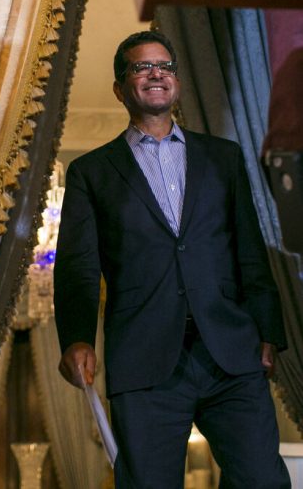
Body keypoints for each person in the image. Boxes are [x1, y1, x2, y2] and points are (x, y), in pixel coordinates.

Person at [54, 30, 290, 488]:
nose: (156, 74)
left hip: (231, 354)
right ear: (121, 89)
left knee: (264, 481)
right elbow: (78, 267)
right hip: (143, 359)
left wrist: (269, 330)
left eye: (165, 66)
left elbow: (249, 250)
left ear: (177, 82)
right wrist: (77, 337)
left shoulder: (223, 158)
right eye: (142, 67)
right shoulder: (91, 173)